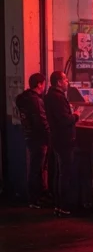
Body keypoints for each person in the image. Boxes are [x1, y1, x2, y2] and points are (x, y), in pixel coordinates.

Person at [44, 71, 80, 217]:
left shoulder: (49, 96)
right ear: (59, 82)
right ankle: (64, 206)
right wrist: (76, 116)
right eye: (65, 79)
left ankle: (58, 205)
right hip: (64, 139)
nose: (67, 82)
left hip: (56, 139)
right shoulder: (58, 98)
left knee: (59, 172)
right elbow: (64, 119)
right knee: (65, 173)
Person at [16, 73, 50, 209]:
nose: (44, 86)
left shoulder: (23, 99)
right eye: (43, 83)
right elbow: (41, 121)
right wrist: (49, 135)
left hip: (29, 136)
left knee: (35, 167)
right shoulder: (35, 100)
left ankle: (35, 197)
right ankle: (35, 198)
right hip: (38, 138)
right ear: (39, 84)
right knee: (37, 168)